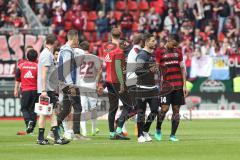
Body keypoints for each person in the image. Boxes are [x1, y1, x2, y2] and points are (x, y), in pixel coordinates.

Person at [37, 34, 70, 145]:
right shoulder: (47, 55)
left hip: (47, 89)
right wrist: (44, 90)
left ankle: (41, 138)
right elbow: (44, 73)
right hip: (47, 90)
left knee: (45, 113)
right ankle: (56, 138)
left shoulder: (46, 54)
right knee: (53, 113)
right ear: (54, 42)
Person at [155, 34, 188, 142]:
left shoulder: (178, 52)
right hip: (166, 86)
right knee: (164, 109)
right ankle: (158, 129)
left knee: (176, 111)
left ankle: (172, 135)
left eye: (176, 45)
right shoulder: (159, 52)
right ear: (169, 40)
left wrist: (185, 85)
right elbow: (157, 68)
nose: (174, 46)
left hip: (178, 86)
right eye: (173, 44)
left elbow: (183, 69)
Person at [103, 28, 133, 140]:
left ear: (111, 35)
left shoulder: (106, 48)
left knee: (113, 108)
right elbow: (118, 67)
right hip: (116, 80)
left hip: (108, 80)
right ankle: (119, 130)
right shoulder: (119, 51)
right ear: (121, 35)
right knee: (129, 105)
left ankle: (111, 133)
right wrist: (121, 83)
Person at [57, 29, 84, 140]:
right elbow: (66, 70)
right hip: (68, 84)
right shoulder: (67, 51)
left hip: (64, 84)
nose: (78, 40)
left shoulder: (63, 50)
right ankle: (77, 133)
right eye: (77, 38)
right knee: (78, 107)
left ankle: (52, 131)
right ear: (74, 38)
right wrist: (71, 85)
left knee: (66, 109)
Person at [135, 33, 159, 143]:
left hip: (152, 87)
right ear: (146, 42)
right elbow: (137, 71)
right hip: (142, 88)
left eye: (155, 41)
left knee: (154, 110)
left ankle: (145, 131)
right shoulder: (142, 55)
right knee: (141, 112)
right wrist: (150, 70)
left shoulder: (152, 55)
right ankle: (139, 135)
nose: (155, 43)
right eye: (153, 41)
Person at [77, 41, 103, 136]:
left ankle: (84, 131)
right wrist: (97, 82)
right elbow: (99, 71)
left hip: (82, 84)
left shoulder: (78, 58)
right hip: (91, 84)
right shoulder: (95, 58)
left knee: (83, 109)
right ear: (89, 48)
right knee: (93, 108)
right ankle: (93, 128)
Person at [14, 49, 38, 134]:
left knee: (24, 108)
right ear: (36, 57)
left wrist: (16, 89)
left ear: (27, 56)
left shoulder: (21, 65)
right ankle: (32, 127)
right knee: (33, 109)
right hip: (35, 90)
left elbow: (17, 77)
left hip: (25, 90)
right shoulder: (37, 66)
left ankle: (29, 122)